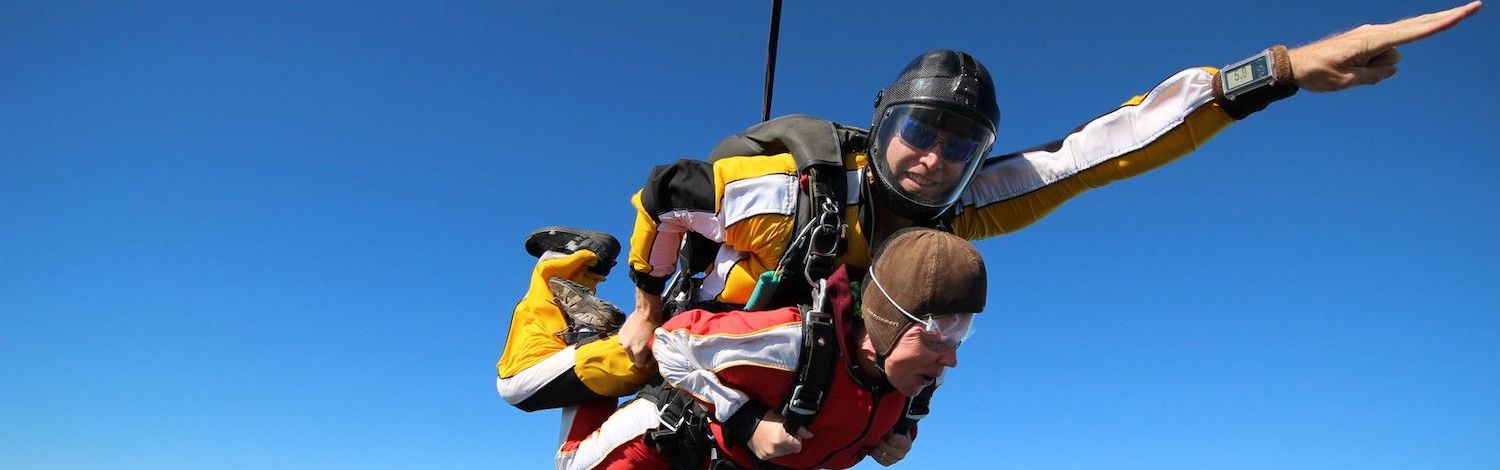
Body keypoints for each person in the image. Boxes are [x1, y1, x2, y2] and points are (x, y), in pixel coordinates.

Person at [495, 0, 1482, 436]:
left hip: (781, 375)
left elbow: (1105, 148)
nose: (934, 160)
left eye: (959, 147)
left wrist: (1289, 69)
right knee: (530, 385)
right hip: (695, 305)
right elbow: (666, 193)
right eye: (921, 133)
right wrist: (645, 301)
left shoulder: (962, 213)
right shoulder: (796, 183)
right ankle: (567, 274)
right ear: (885, 124)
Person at [555, 228, 985, 469]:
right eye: (936, 330)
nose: (951, 356)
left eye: (961, 333)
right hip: (663, 443)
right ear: (888, 321)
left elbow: (860, 415)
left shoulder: (915, 382)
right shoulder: (795, 342)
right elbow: (670, 341)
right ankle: (585, 322)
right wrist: (745, 417)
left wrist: (900, 438)